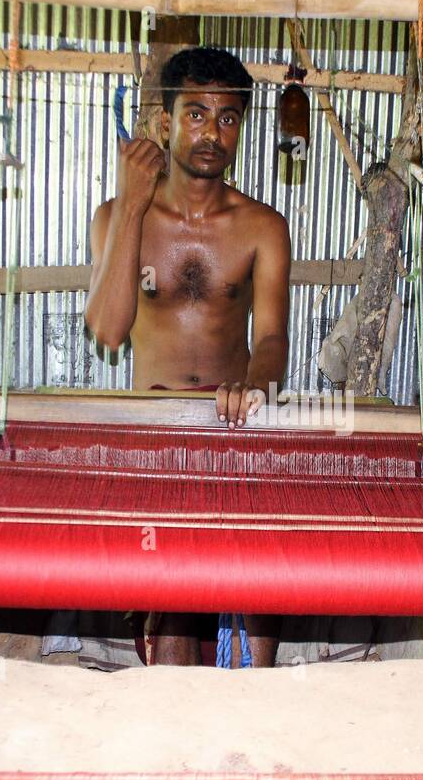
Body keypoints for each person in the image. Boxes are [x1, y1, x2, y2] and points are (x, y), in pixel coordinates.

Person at [85, 46, 290, 667]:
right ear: (164, 122)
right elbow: (108, 329)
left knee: (257, 585)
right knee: (173, 595)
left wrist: (254, 389)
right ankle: (174, 733)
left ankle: (252, 720)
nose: (212, 132)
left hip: (235, 427)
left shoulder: (262, 226)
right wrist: (132, 199)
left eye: (228, 118)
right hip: (154, 433)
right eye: (196, 114)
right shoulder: (117, 217)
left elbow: (274, 337)